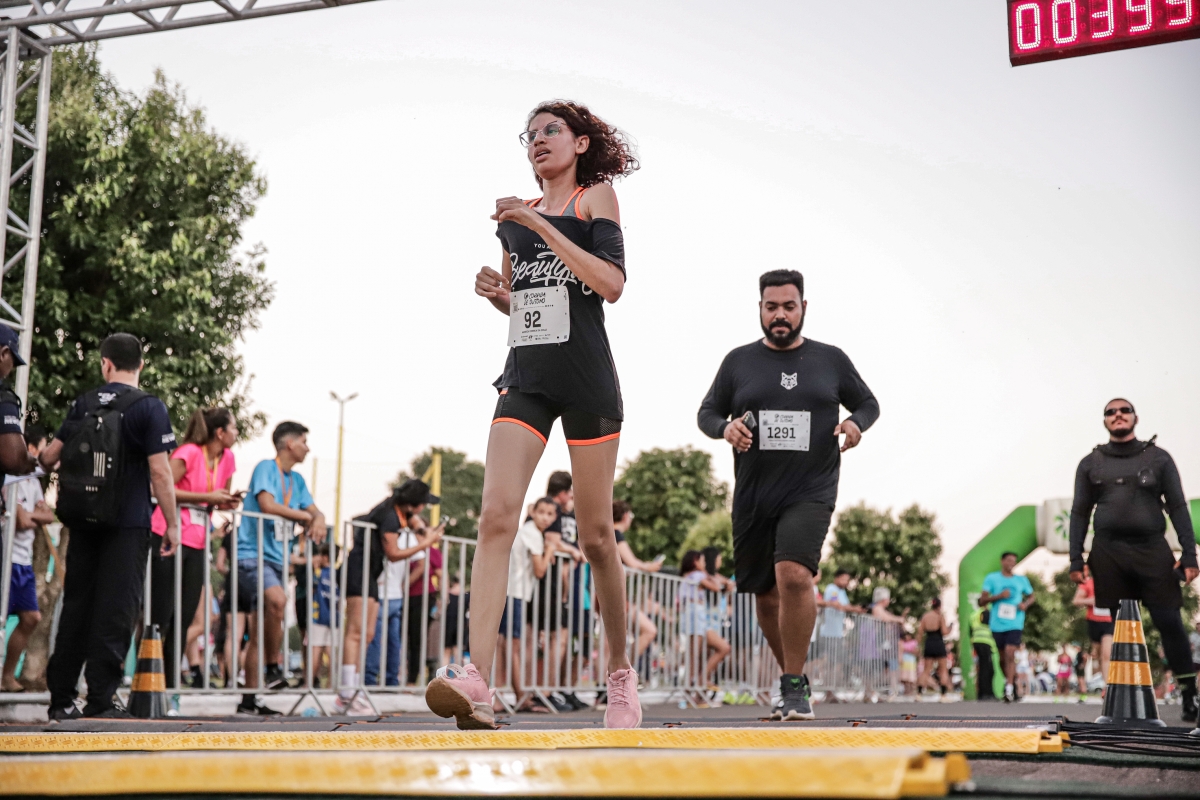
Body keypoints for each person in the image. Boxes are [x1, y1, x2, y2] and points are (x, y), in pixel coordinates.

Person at [426, 100, 642, 731]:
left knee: (597, 537)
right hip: (526, 381)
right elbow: (530, 305)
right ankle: (478, 681)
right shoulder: (514, 222)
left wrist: (538, 222)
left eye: (552, 130)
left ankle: (620, 674)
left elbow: (610, 284)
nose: (538, 140)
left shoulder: (594, 198)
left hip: (587, 381)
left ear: (580, 143)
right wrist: (502, 295)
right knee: (496, 515)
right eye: (530, 134)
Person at [697, 269, 880, 721]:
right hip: (755, 494)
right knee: (764, 593)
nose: (780, 314)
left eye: (789, 306)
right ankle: (793, 678)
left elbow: (868, 403)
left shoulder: (830, 359)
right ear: (760, 309)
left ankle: (793, 686)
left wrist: (855, 423)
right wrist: (725, 428)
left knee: (794, 575)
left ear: (803, 308)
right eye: (771, 306)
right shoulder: (738, 361)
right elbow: (707, 412)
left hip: (811, 488)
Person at [43, 333, 180, 719]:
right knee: (116, 610)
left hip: (83, 521)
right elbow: (160, 473)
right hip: (128, 524)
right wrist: (172, 524)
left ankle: (61, 700)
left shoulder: (84, 403)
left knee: (77, 607)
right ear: (141, 365)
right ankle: (100, 701)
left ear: (106, 364)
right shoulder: (149, 407)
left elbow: (51, 457)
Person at [1068, 398, 1198, 723]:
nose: (1118, 415)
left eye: (1124, 410)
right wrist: (1075, 559)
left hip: (1152, 551)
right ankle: (1124, 701)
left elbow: (1178, 506)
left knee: (1169, 622)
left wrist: (1189, 554)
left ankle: (1189, 695)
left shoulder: (1158, 458)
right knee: (1122, 627)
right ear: (1105, 421)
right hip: (1108, 553)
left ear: (1135, 418)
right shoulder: (1091, 463)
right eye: (1110, 412)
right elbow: (1079, 512)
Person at [234, 421, 326, 715]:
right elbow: (267, 505)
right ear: (290, 444)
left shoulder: (297, 480)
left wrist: (319, 518)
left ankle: (249, 701)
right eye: (304, 441)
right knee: (278, 600)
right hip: (252, 555)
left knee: (259, 630)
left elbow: (315, 511)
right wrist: (306, 517)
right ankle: (273, 668)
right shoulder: (266, 468)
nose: (307, 448)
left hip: (276, 560)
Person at [148, 407, 240, 690]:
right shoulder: (188, 452)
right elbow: (159, 488)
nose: (237, 433)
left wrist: (226, 502)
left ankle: (169, 685)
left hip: (199, 541)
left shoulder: (228, 458)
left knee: (185, 616)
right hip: (167, 533)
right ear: (220, 432)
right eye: (233, 427)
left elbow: (216, 498)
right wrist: (207, 496)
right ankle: (146, 680)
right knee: (161, 613)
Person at [337, 480, 443, 712]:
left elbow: (416, 523)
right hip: (359, 572)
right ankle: (345, 693)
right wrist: (425, 544)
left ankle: (354, 689)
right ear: (413, 504)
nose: (423, 509)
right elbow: (393, 553)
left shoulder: (398, 510)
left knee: (367, 633)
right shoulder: (389, 516)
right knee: (355, 633)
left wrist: (424, 532)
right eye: (423, 504)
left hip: (371, 574)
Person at [2, 425, 53, 692]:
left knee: (31, 617)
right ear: (30, 448)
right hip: (7, 558)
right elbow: (21, 521)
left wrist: (32, 515)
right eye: (43, 449)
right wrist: (34, 515)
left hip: (24, 561)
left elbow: (48, 516)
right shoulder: (11, 477)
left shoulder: (33, 481)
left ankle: (7, 676)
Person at [497, 496, 558, 713]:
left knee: (504, 645)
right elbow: (540, 570)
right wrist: (550, 550)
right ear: (533, 512)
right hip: (516, 593)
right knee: (511, 646)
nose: (545, 518)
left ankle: (503, 697)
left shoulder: (528, 532)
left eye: (550, 514)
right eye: (541, 512)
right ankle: (520, 697)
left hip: (511, 592)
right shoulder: (532, 533)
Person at [979, 552, 1035, 702]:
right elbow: (982, 600)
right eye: (1009, 560)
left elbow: (1032, 596)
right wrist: (999, 596)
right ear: (1002, 561)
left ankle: (1008, 688)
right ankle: (1011, 680)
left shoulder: (1021, 580)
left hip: (1015, 622)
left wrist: (1025, 604)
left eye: (1014, 561)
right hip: (997, 624)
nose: (1011, 563)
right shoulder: (992, 578)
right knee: (1002, 658)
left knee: (1011, 653)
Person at [612, 500, 660, 674]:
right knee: (649, 630)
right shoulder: (616, 534)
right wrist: (649, 566)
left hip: (611, 594)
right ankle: (623, 672)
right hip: (614, 595)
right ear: (626, 516)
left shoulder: (611, 534)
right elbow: (633, 562)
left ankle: (618, 673)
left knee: (610, 641)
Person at [679, 550, 731, 693]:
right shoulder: (698, 575)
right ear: (696, 562)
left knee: (697, 653)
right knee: (696, 654)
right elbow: (716, 587)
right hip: (696, 616)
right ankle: (696, 684)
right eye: (702, 561)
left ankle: (696, 684)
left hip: (694, 617)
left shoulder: (690, 576)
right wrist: (710, 576)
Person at [1071, 565, 1112, 692]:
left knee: (1106, 654)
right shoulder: (1088, 583)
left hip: (1110, 622)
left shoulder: (1116, 583)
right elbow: (1076, 601)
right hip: (1094, 622)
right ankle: (1105, 679)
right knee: (1099, 655)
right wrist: (1092, 600)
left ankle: (1107, 687)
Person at [919, 598, 952, 700]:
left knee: (926, 670)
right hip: (938, 643)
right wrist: (950, 628)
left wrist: (918, 645)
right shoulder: (940, 616)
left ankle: (919, 694)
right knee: (943, 669)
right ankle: (943, 695)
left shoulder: (925, 616)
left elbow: (920, 632)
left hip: (929, 643)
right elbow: (944, 632)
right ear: (940, 606)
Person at [968, 605, 999, 700]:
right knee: (987, 669)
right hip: (985, 642)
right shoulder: (986, 613)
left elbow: (970, 630)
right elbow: (991, 626)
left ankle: (982, 693)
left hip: (976, 641)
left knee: (982, 668)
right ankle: (987, 693)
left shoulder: (973, 615)